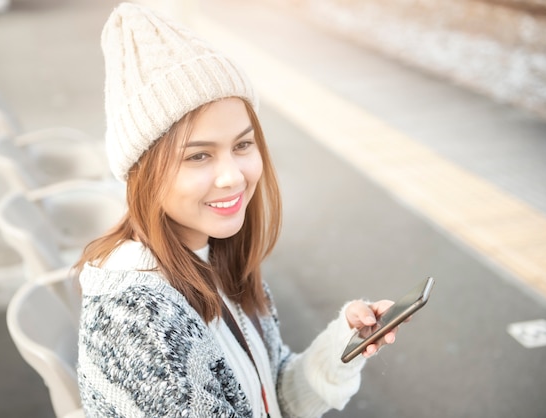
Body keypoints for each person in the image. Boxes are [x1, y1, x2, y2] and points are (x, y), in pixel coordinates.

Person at [75, 3, 398, 417]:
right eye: (198, 157)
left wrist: (343, 346)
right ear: (144, 173)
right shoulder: (135, 315)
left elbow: (269, 398)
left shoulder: (212, 256)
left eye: (242, 145)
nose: (233, 176)